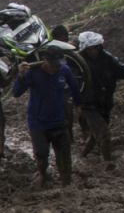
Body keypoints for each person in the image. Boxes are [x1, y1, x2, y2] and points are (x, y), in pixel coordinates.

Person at [12, 49, 80, 187]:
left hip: (59, 119)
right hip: (38, 122)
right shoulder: (32, 73)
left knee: (64, 154)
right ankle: (42, 175)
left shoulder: (64, 70)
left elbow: (75, 88)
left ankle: (66, 183)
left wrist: (78, 104)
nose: (56, 67)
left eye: (58, 63)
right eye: (53, 63)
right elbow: (16, 92)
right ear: (45, 60)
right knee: (42, 154)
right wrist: (20, 75)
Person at [76, 31, 124, 167]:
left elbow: (121, 68)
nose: (93, 51)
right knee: (104, 133)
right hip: (89, 105)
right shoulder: (77, 62)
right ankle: (107, 162)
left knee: (96, 134)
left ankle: (83, 155)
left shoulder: (107, 58)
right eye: (90, 49)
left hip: (105, 101)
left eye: (95, 48)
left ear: (99, 47)